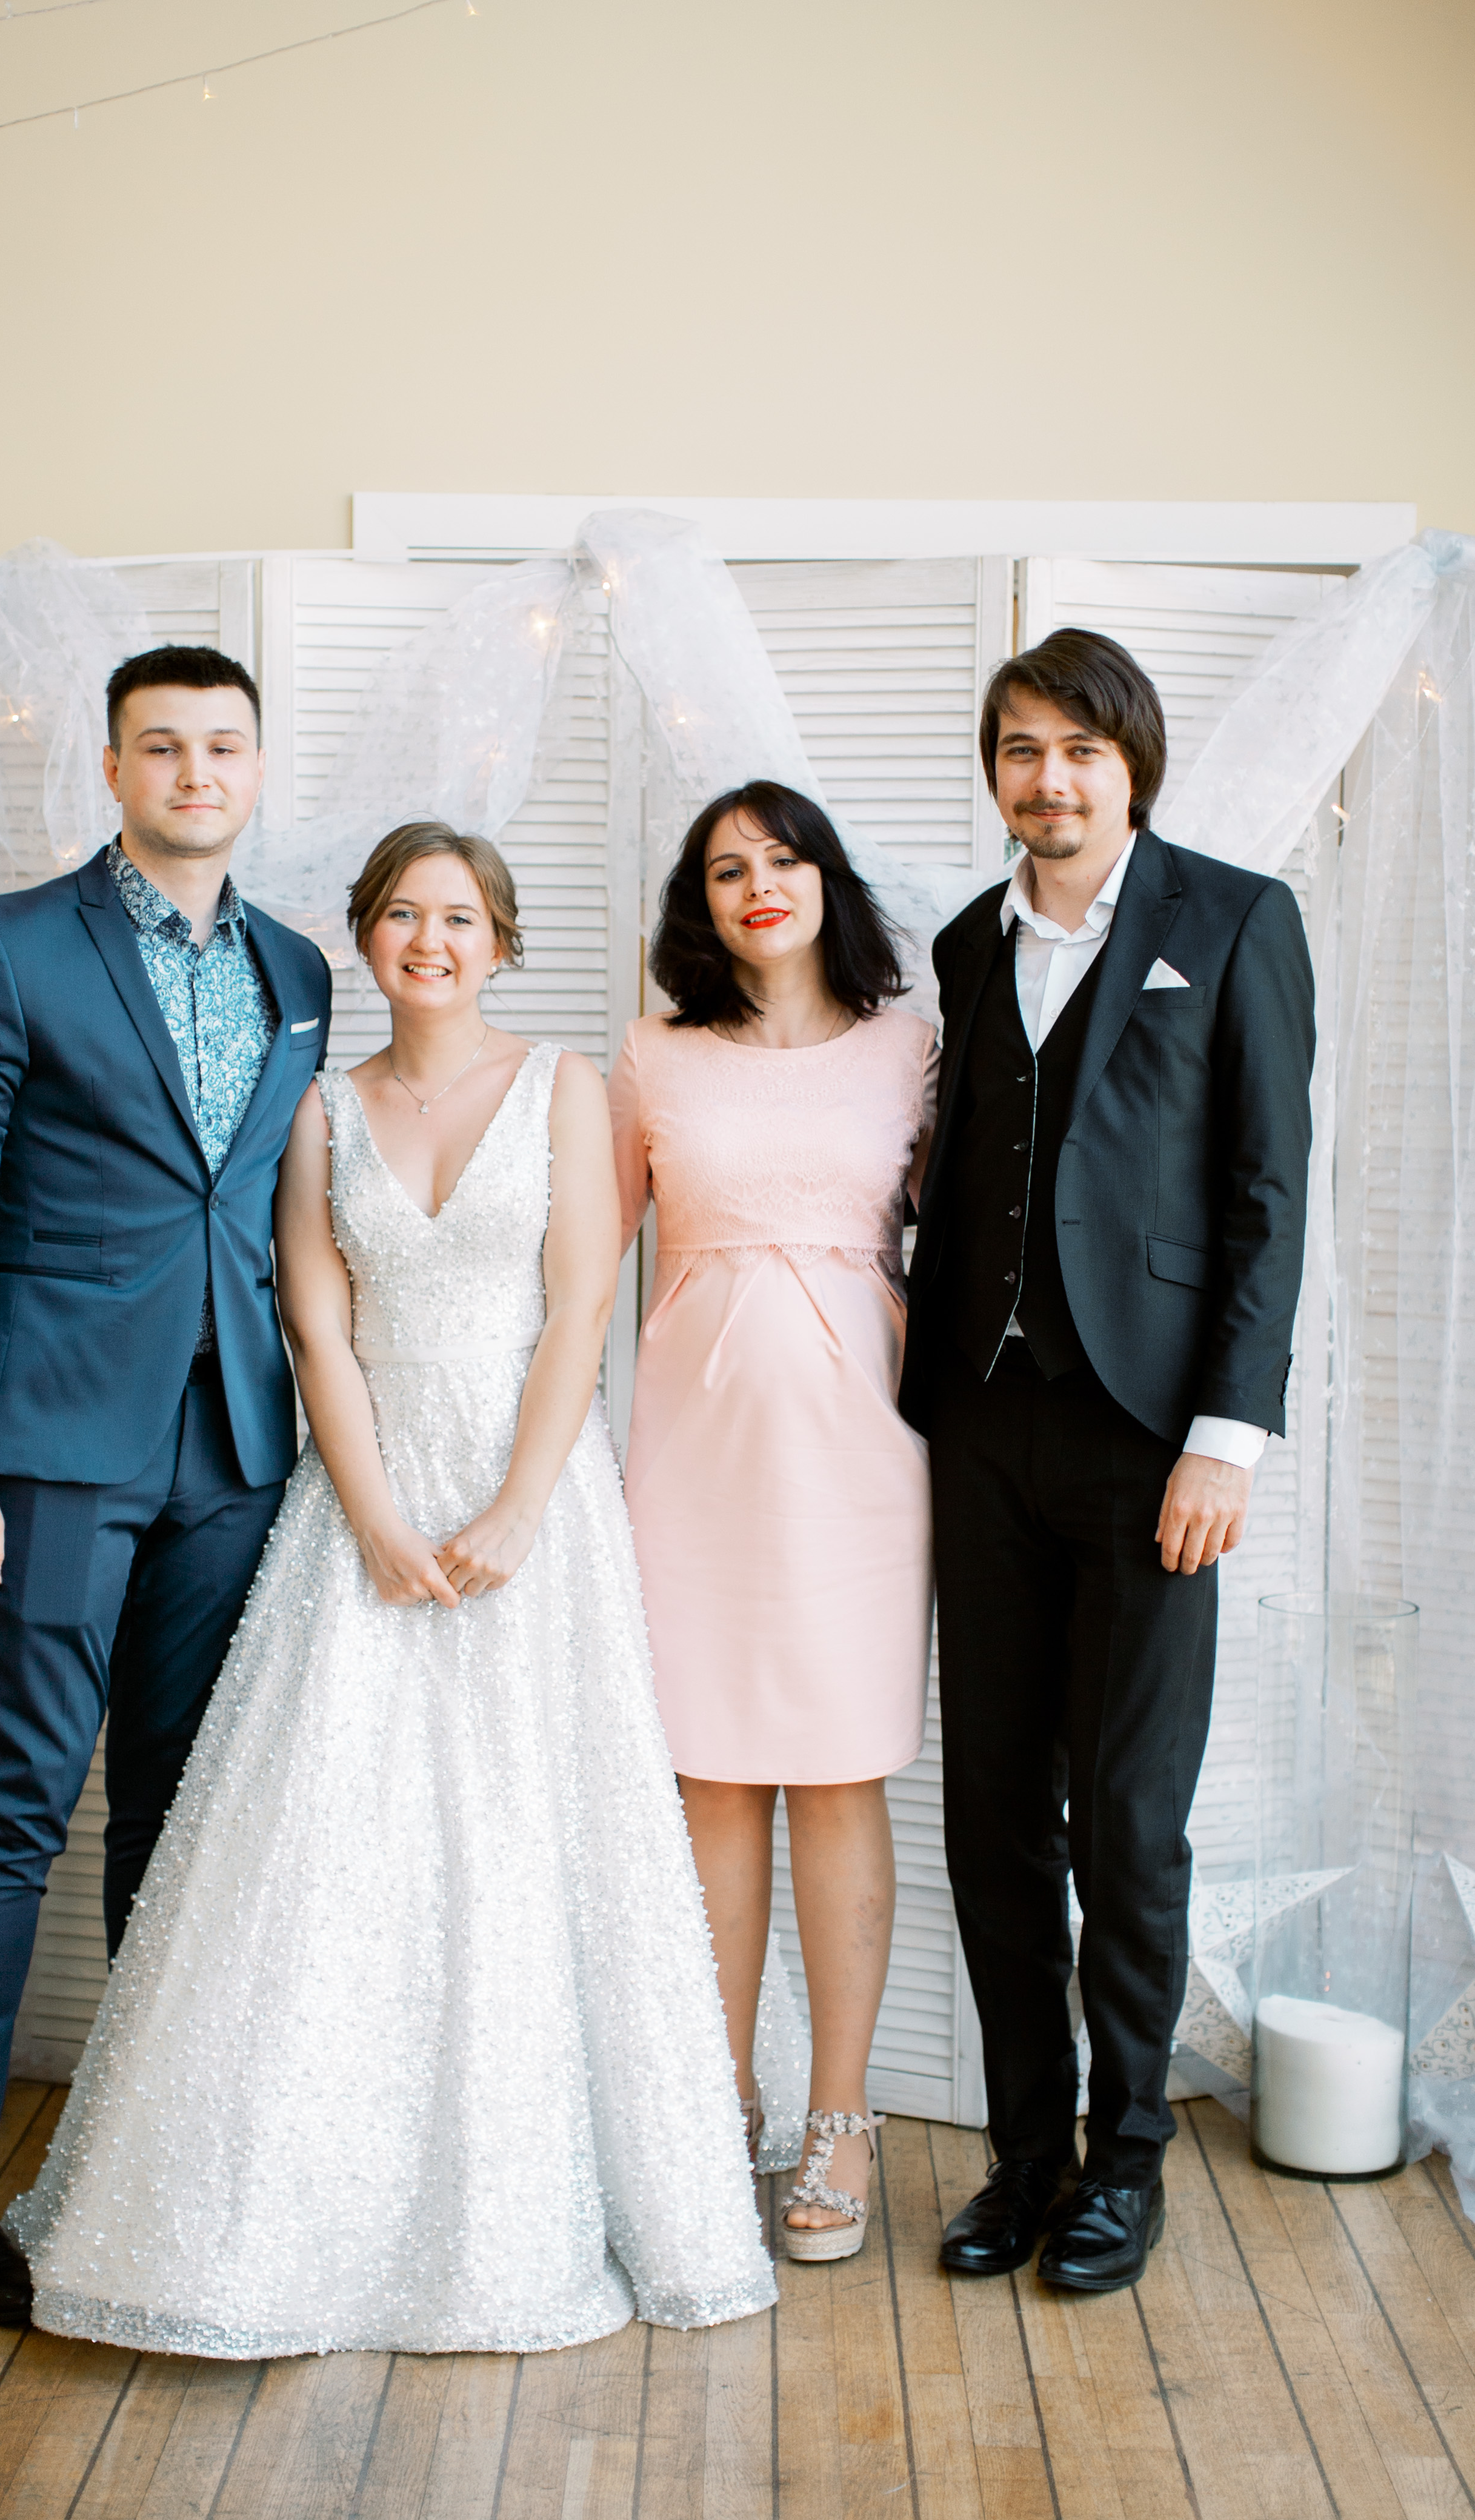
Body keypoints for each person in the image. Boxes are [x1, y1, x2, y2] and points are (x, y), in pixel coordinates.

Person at [4, 822, 775, 2356]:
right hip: (360, 1509)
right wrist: (369, 1515)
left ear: (501, 941)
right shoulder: (317, 1109)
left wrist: (515, 1510)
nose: (431, 940)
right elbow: (317, 1329)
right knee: (329, 1848)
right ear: (364, 937)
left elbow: (580, 1310)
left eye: (461, 917)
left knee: (527, 1837)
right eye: (404, 915)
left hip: (531, 1508)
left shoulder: (565, 1089)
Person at [0, 645, 332, 2327]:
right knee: (16, 1803)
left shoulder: (299, 968)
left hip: (235, 1450)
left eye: (223, 746)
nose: (195, 772)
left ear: (255, 768)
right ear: (112, 768)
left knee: (174, 1812)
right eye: (162, 746)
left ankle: (140, 2168)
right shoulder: (8, 944)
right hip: (51, 1450)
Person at [902, 628, 1315, 2293]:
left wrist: (1226, 1439)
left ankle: (1126, 2161)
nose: (1048, 777)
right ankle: (1026, 2157)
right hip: (979, 1432)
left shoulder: (1232, 920)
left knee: (1130, 1824)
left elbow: (1266, 1194)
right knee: (992, 1816)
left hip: (1150, 1445)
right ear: (995, 774)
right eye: (1020, 748)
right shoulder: (961, 943)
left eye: (1078, 747)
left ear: (1129, 762)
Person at [610, 780, 937, 2264]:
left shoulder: (909, 1049)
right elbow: (573, 1263)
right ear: (700, 904)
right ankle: (715, 2096)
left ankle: (840, 2115)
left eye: (783, 858)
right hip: (692, 1460)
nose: (758, 883)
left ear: (825, 881)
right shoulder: (651, 1057)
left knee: (841, 1776)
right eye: (726, 867)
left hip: (860, 1459)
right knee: (713, 1784)